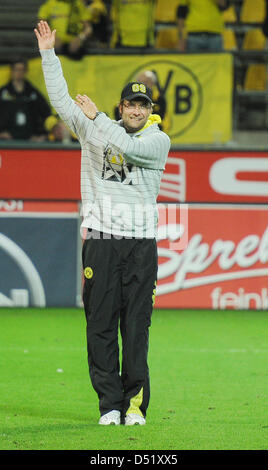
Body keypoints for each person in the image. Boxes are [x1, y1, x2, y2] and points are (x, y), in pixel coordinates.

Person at [34, 20, 170, 426]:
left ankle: (134, 406)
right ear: (122, 105)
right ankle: (110, 405)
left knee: (136, 328)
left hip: (140, 245)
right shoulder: (91, 127)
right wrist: (48, 54)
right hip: (101, 240)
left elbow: (126, 146)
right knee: (100, 326)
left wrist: (99, 119)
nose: (136, 110)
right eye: (130, 104)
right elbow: (60, 100)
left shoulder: (156, 140)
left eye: (143, 106)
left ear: (149, 111)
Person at [0, 59, 51, 141]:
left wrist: (43, 135)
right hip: (7, 139)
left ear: (26, 72)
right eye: (17, 70)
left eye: (22, 70)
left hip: (30, 139)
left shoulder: (33, 93)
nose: (19, 73)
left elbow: (46, 113)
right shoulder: (3, 93)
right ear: (11, 71)